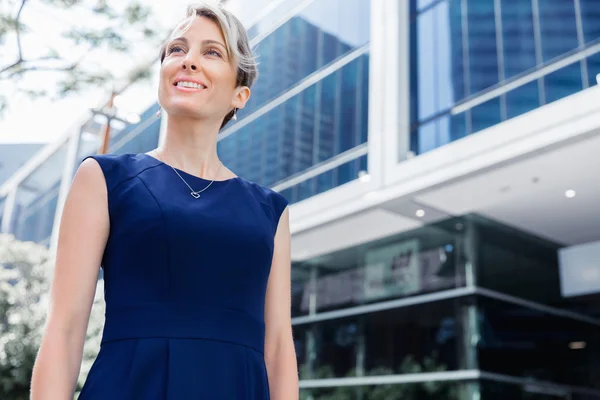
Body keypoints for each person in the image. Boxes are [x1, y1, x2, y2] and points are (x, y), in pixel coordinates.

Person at [30, 2, 299, 399]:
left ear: (240, 94)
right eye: (177, 49)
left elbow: (277, 347)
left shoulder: (270, 211)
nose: (188, 61)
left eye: (211, 52)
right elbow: (65, 330)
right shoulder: (104, 179)